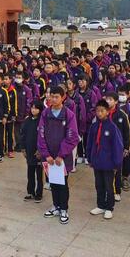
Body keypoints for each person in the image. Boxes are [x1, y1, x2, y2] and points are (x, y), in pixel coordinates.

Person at [38, 86, 80, 225]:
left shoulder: (69, 115)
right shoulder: (45, 114)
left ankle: (64, 209)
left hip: (62, 158)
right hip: (49, 158)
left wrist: (61, 155)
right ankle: (55, 206)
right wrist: (46, 154)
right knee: (53, 183)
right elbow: (41, 135)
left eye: (56, 96)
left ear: (63, 97)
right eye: (51, 96)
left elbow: (72, 137)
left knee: (63, 184)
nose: (53, 99)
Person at [87, 99, 124, 220]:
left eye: (102, 111)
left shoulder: (112, 128)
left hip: (109, 163)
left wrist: (117, 164)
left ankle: (109, 207)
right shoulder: (94, 126)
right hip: (97, 162)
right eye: (97, 111)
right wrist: (90, 158)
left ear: (107, 112)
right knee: (99, 184)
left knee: (109, 186)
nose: (99, 113)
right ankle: (101, 205)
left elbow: (117, 146)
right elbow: (90, 143)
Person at [20, 99, 44, 203]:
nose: (33, 110)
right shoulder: (27, 120)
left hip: (38, 152)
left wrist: (40, 150)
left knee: (39, 174)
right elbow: (23, 135)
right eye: (32, 108)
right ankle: (30, 192)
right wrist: (23, 148)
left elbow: (44, 137)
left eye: (36, 108)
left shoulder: (42, 121)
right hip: (29, 151)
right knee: (30, 173)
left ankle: (39, 194)